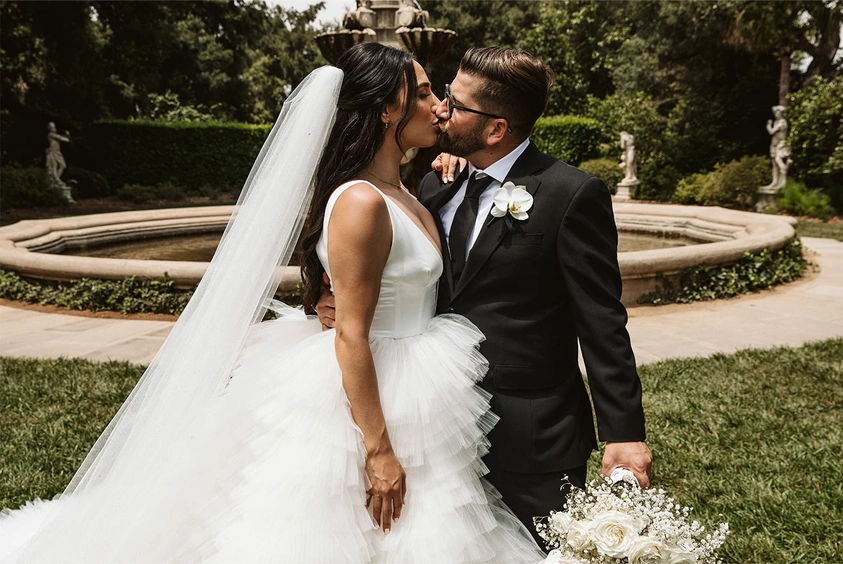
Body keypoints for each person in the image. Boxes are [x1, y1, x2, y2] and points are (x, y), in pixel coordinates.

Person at [0, 43, 544, 563]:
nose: (440, 106)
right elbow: (353, 333)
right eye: (425, 93)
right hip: (371, 386)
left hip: (416, 378)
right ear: (386, 110)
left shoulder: (411, 189)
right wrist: (377, 449)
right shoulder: (361, 199)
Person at [318, 47, 652, 548]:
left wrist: (624, 432)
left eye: (454, 101)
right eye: (439, 94)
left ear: (496, 129)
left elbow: (602, 321)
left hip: (532, 438)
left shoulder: (569, 194)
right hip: (433, 426)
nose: (443, 109)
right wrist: (332, 303)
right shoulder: (434, 184)